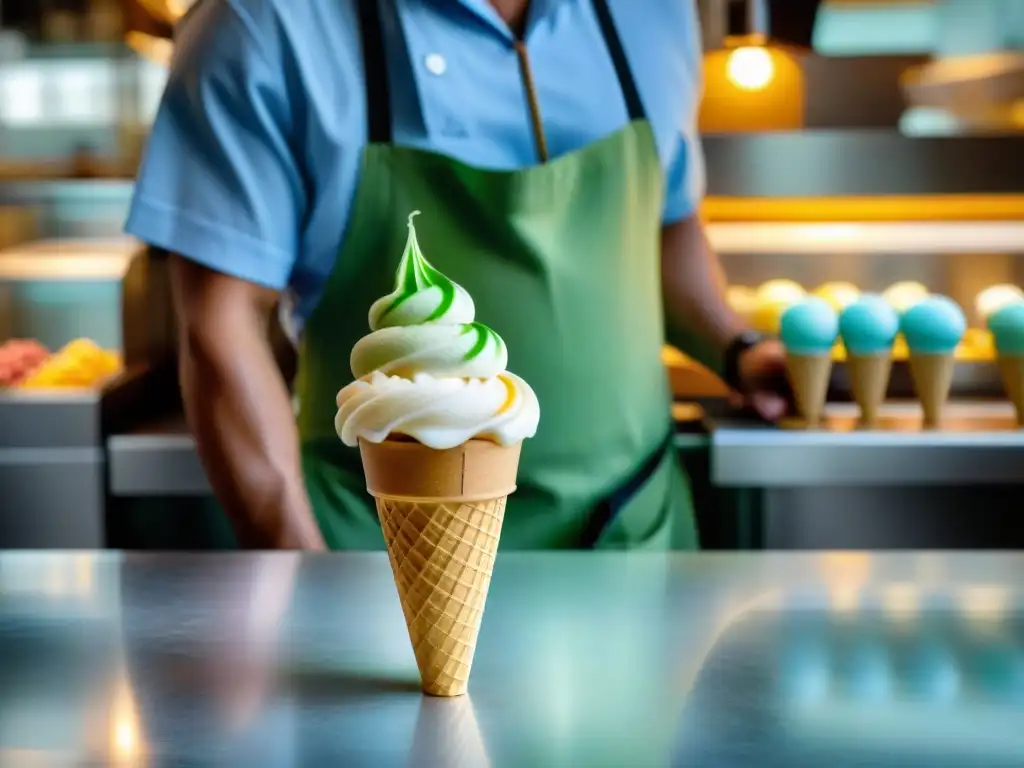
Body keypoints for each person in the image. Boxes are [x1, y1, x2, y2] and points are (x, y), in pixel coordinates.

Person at [126, 0, 788, 551]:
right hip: (378, 558)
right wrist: (305, 573)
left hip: (631, 539)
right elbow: (220, 322)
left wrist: (738, 349)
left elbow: (665, 227)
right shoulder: (262, 25)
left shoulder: (654, 12)